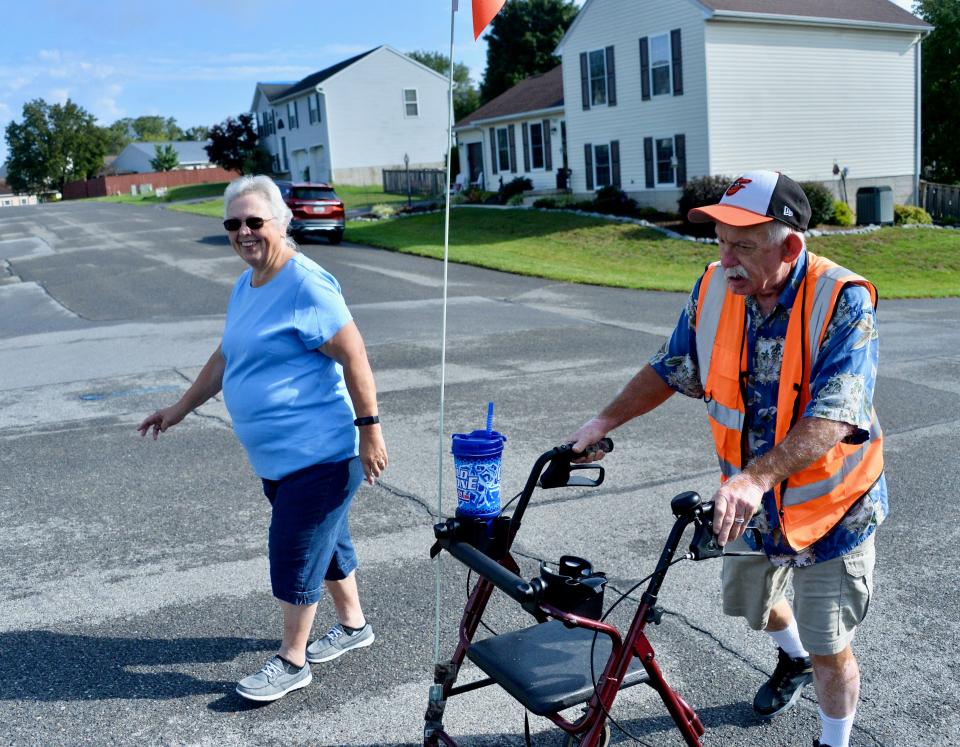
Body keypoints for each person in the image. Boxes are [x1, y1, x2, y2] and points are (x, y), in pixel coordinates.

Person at [568, 170, 884, 747]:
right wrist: (604, 420)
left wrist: (755, 478)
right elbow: (672, 367)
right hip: (748, 501)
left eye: (744, 244)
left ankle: (832, 740)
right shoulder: (715, 287)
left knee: (830, 647)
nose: (727, 259)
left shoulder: (844, 299)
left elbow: (838, 413)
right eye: (719, 241)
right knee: (753, 605)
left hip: (832, 511)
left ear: (789, 245)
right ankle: (789, 659)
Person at [138, 175, 388, 703]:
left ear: (283, 222)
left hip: (321, 454)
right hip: (279, 459)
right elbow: (228, 355)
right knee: (328, 540)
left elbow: (355, 356)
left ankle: (292, 661)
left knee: (294, 549)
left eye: (255, 221)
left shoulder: (307, 284)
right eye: (233, 224)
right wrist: (180, 409)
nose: (243, 232)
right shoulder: (246, 283)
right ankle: (354, 626)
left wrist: (369, 431)